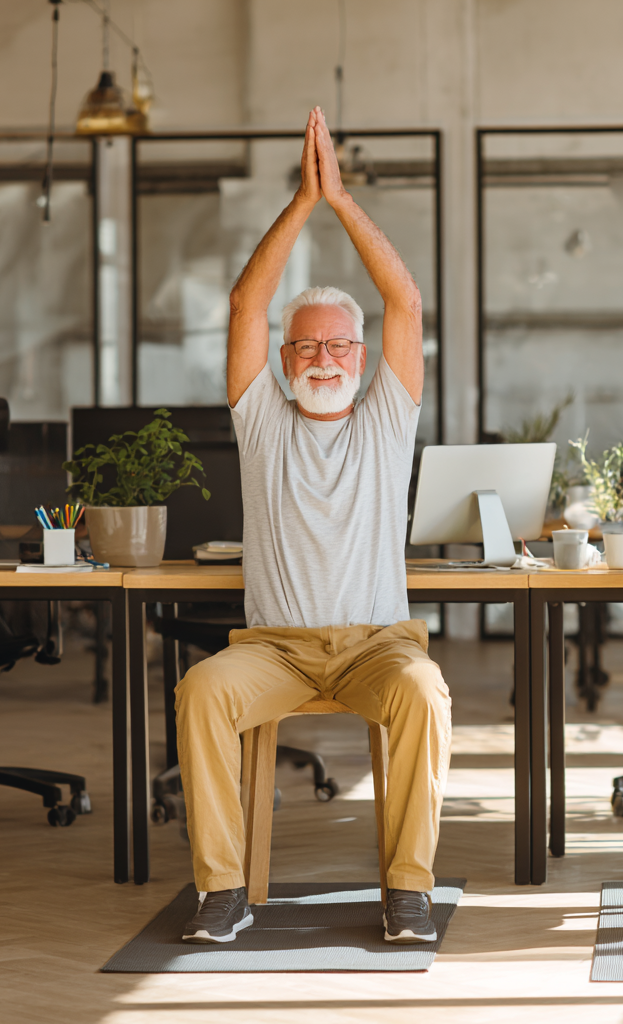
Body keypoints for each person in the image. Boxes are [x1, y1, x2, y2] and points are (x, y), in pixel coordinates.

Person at [176, 107, 451, 945]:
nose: (322, 358)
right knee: (200, 692)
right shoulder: (261, 420)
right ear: (283, 360)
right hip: (275, 650)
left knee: (424, 695)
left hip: (378, 645)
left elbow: (402, 299)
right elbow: (245, 300)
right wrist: (302, 201)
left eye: (338, 347)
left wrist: (342, 200)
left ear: (361, 360)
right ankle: (224, 891)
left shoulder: (385, 421)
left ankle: (406, 889)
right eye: (305, 348)